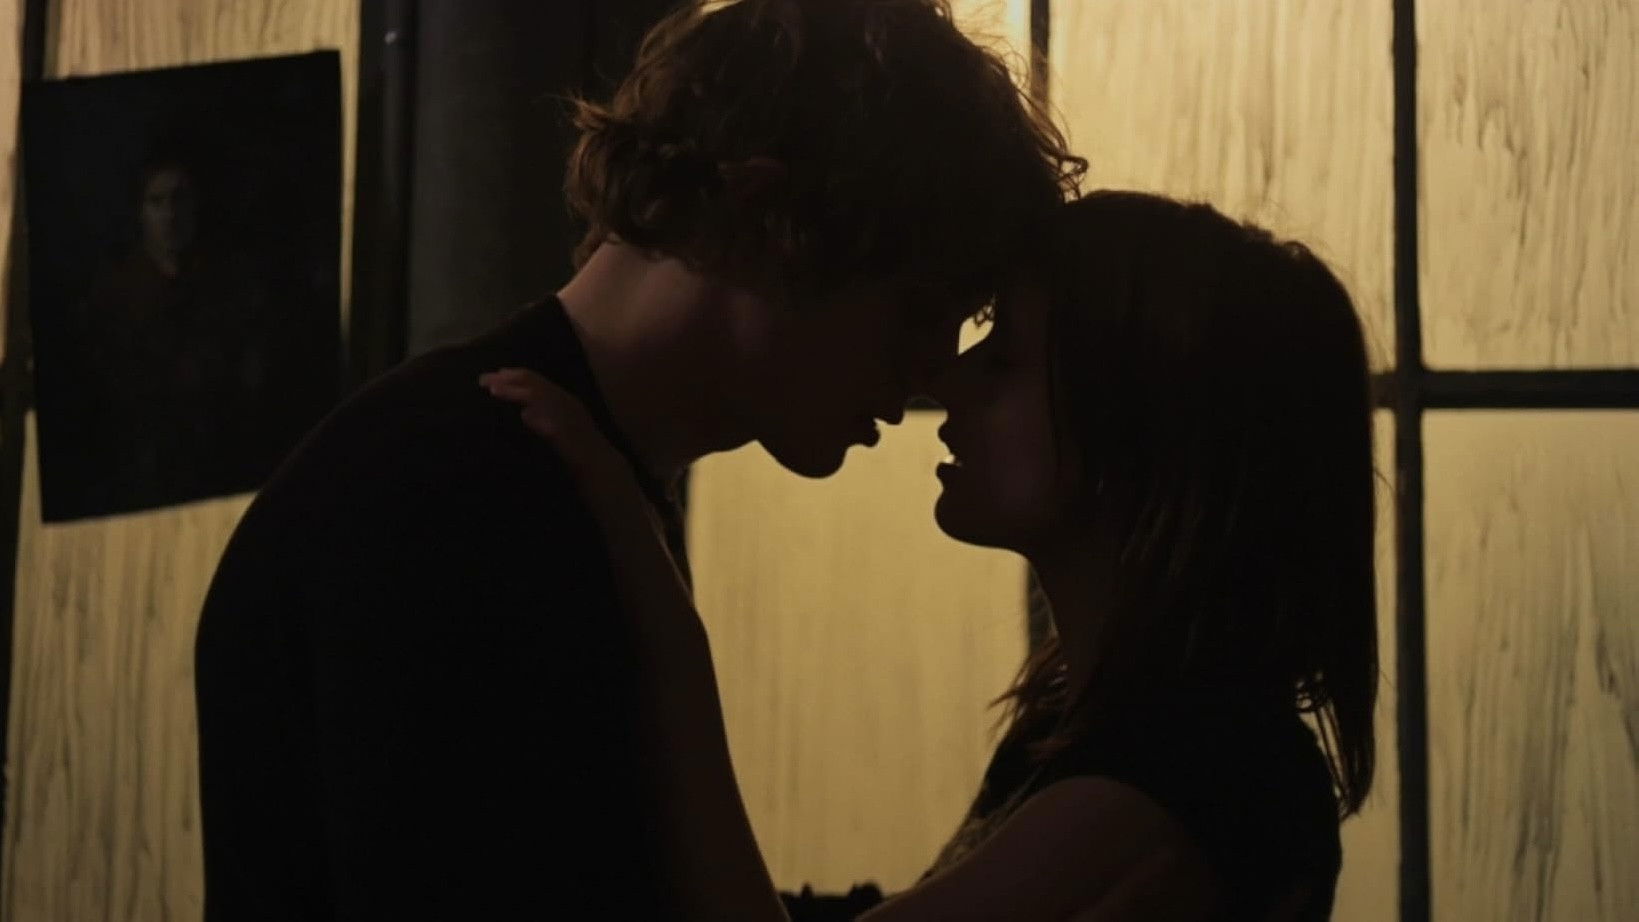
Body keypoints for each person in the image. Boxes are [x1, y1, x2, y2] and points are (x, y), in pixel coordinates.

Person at [192, 0, 1082, 918]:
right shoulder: (458, 500)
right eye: (916, 311)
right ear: (759, 218)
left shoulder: (543, 477)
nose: (935, 368)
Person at [482, 190, 1380, 920]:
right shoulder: (1105, 731)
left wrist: (655, 603)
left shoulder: (1191, 780)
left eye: (1004, 359)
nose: (945, 377)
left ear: (1139, 432)